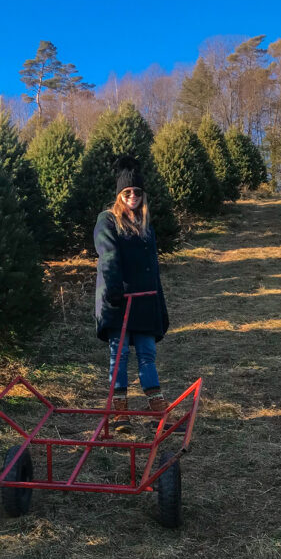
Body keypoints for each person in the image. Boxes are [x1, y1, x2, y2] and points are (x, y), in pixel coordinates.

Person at [93, 155, 169, 431]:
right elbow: (108, 255)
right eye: (127, 192)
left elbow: (153, 268)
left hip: (145, 301)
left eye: (137, 192)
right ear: (119, 195)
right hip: (119, 300)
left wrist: (160, 305)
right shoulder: (107, 221)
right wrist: (114, 290)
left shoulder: (146, 225)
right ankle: (119, 409)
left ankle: (157, 408)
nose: (133, 196)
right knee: (120, 352)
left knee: (147, 353)